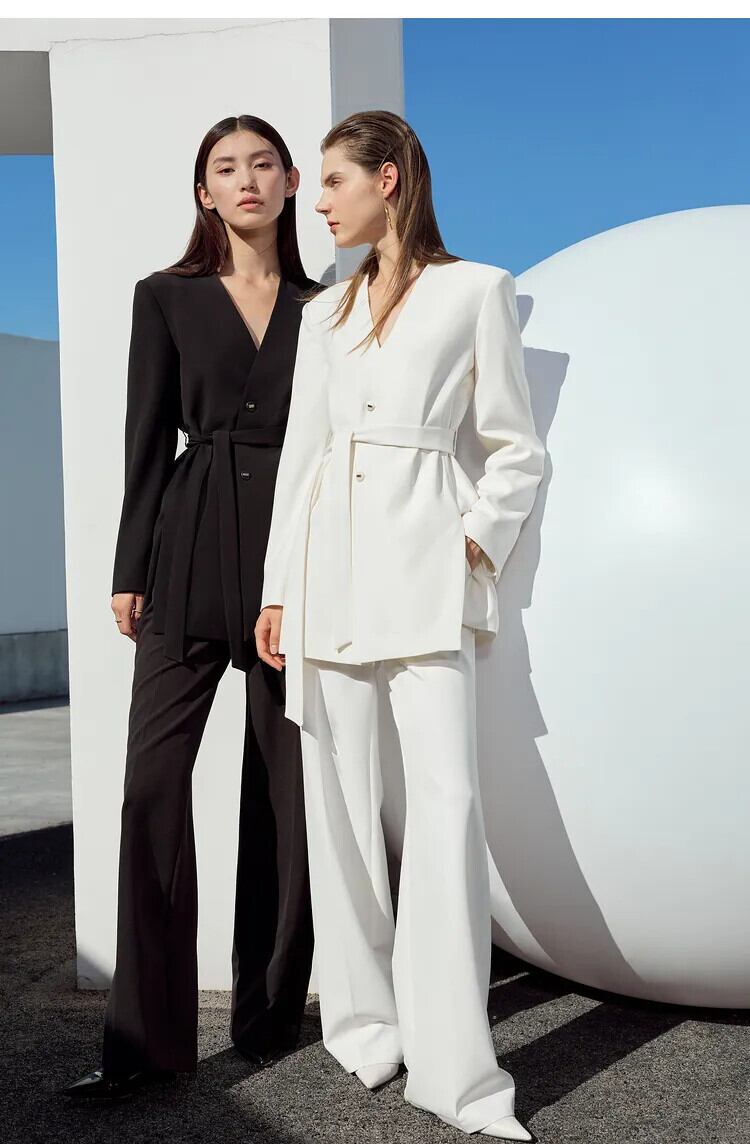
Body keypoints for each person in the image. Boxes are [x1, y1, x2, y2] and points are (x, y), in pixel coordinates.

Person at [254, 110, 546, 1140]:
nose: (319, 202)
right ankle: (366, 1026)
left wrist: (472, 542)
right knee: (338, 811)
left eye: (333, 181)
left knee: (445, 807)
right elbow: (302, 454)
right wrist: (277, 587)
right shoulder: (323, 315)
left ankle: (458, 1072)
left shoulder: (477, 291)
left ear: (388, 179)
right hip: (327, 568)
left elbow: (515, 446)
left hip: (423, 570)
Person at [63, 115, 322, 1102]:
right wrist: (128, 567)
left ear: (291, 181)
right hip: (186, 545)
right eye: (225, 167)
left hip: (291, 563)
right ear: (203, 192)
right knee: (153, 791)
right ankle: (145, 1044)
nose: (245, 179)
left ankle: (269, 1014)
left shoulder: (325, 308)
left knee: (285, 793)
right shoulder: (165, 295)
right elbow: (143, 438)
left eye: (262, 163)